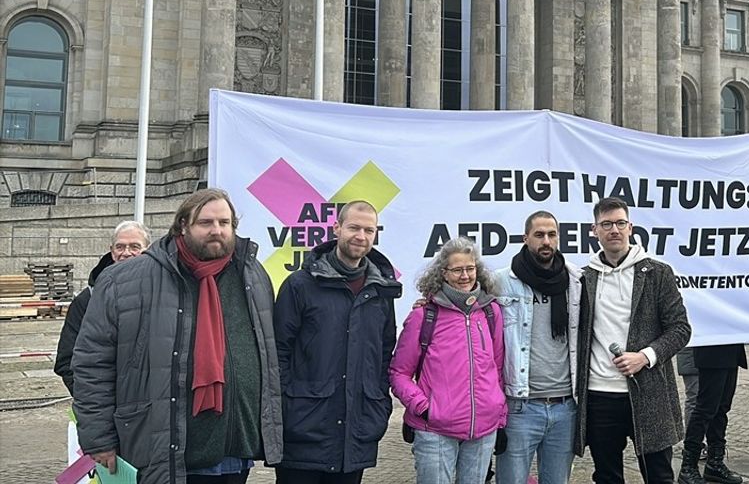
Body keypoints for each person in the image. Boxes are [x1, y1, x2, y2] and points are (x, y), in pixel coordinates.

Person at [72, 189, 283, 484]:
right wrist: (99, 438)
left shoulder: (252, 274)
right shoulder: (124, 280)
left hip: (233, 450)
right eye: (206, 222)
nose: (217, 230)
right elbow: (92, 364)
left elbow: (268, 355)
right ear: (183, 225)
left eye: (225, 222)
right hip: (161, 449)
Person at [273, 201, 402, 483]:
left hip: (355, 433)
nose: (361, 236)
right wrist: (287, 407)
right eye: (354, 227)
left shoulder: (381, 292)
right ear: (337, 228)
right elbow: (278, 351)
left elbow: (383, 354)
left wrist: (378, 405)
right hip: (304, 431)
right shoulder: (300, 285)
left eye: (369, 230)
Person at [574, 197, 691, 484]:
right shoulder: (583, 278)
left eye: (620, 223)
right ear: (595, 230)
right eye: (606, 224)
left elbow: (680, 329)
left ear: (630, 227)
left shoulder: (657, 273)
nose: (614, 229)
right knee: (607, 476)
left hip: (648, 391)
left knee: (659, 476)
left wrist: (645, 356)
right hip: (600, 394)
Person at [389, 238, 505, 484]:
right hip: (435, 432)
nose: (465, 276)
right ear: (443, 273)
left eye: (470, 268)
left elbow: (498, 367)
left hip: (483, 431)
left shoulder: (490, 312)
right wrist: (425, 408)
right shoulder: (424, 315)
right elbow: (399, 373)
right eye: (457, 270)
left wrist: (499, 414)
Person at [493, 211, 582, 484]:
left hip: (566, 407)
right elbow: (464, 308)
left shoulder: (576, 281)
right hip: (521, 407)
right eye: (539, 235)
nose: (546, 241)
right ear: (526, 238)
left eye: (552, 234)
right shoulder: (500, 282)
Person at [55, 220, 151, 397]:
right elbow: (66, 360)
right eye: (120, 247)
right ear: (111, 250)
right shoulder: (88, 299)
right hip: (103, 405)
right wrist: (91, 403)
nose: (126, 253)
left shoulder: (164, 293)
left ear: (148, 249)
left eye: (135, 246)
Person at [679, 344, 747, 484]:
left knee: (722, 409)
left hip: (731, 351)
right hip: (712, 352)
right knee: (704, 410)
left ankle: (715, 463)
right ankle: (688, 466)